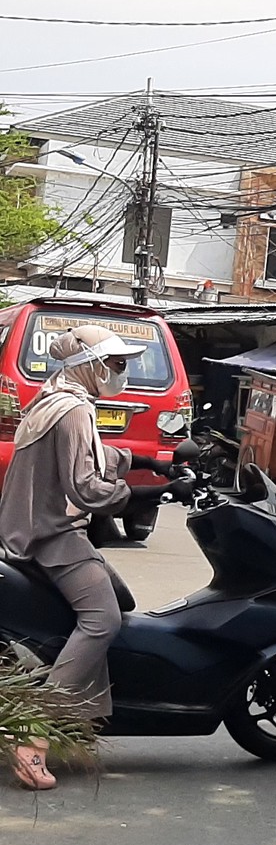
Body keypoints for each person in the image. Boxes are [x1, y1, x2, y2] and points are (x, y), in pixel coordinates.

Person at [0, 326, 189, 789]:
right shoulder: (75, 409)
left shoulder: (50, 400)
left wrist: (149, 463)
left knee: (117, 599)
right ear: (88, 365)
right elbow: (86, 486)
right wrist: (157, 494)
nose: (120, 373)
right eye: (115, 364)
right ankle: (34, 737)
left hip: (27, 530)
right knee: (103, 619)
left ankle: (82, 718)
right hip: (53, 537)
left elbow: (88, 454)